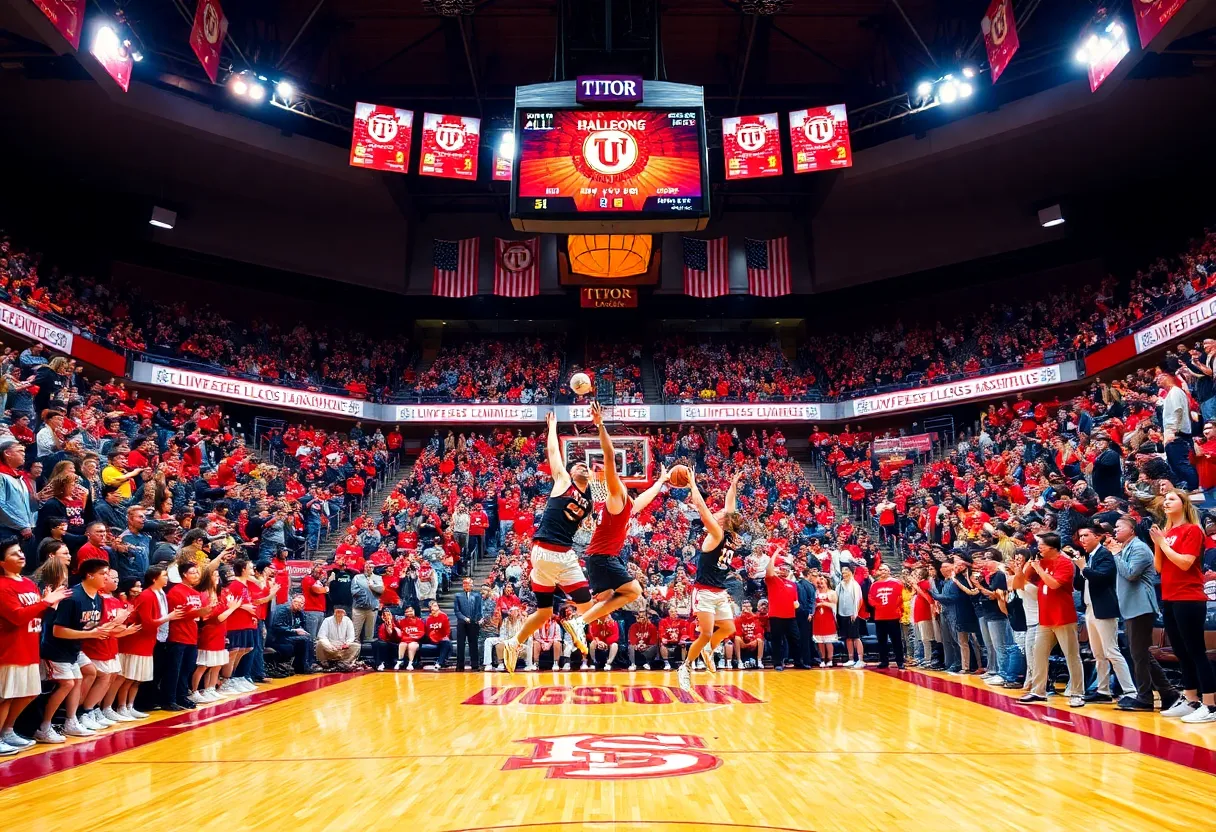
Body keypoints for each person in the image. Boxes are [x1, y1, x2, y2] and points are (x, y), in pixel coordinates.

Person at [500, 412, 596, 673]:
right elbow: (554, 453)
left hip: (548, 557)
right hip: (553, 552)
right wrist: (552, 426)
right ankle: (574, 624)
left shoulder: (589, 505)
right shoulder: (563, 481)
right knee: (588, 605)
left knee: (544, 612)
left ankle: (514, 642)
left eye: (585, 466)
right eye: (577, 465)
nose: (581, 467)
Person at [577, 403, 669, 632]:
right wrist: (600, 426)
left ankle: (578, 622)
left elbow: (644, 499)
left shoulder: (627, 506)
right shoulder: (616, 498)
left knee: (610, 596)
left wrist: (660, 480)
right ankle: (580, 622)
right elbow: (609, 456)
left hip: (602, 559)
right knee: (634, 591)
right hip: (602, 557)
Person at [38, 559, 125, 741]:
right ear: (89, 575)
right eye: (103, 573)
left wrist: (115, 624)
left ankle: (73, 719)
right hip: (56, 648)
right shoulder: (73, 597)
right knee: (69, 683)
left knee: (89, 673)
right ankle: (44, 726)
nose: (107, 577)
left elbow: (93, 628)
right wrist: (93, 634)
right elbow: (58, 631)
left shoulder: (97, 599)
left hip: (74, 649)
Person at [1150, 489, 1216, 722]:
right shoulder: (1169, 532)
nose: (1166, 502)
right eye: (1165, 500)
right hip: (1169, 597)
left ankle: (1210, 705)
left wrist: (1163, 543)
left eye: (1171, 499)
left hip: (1189, 597)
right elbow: (1159, 567)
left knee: (1196, 651)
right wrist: (1158, 544)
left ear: (1183, 503)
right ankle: (1191, 700)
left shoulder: (1192, 530)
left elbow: (1185, 563)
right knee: (1180, 652)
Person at [0, 537, 69, 752]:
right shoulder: (3, 586)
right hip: (11, 648)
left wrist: (50, 605)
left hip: (30, 646)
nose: (21, 555)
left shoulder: (28, 583)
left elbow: (38, 614)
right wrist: (45, 602)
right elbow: (17, 617)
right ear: (2, 562)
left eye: (20, 551)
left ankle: (8, 730)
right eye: (14, 553)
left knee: (28, 693)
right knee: (7, 695)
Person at [675, 470, 741, 691]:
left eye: (721, 512)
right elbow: (703, 510)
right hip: (704, 589)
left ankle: (708, 650)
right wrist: (693, 484)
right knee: (705, 632)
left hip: (719, 591)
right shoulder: (716, 533)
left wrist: (732, 484)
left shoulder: (729, 532)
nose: (720, 512)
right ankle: (685, 667)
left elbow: (730, 505)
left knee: (729, 627)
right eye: (719, 513)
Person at [1110, 516, 1180, 711]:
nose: (1115, 530)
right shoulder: (1126, 548)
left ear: (1132, 530)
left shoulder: (1139, 548)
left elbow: (1131, 574)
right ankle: (1168, 694)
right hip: (1131, 607)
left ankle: (1146, 697)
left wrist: (1116, 554)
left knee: (1139, 654)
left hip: (1141, 607)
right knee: (1140, 654)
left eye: (1119, 526)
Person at [1019, 533, 1086, 708]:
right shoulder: (1040, 561)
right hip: (1045, 618)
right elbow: (1023, 580)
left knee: (1071, 655)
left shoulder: (1064, 563)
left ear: (1052, 547)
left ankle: (1078, 693)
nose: (1038, 548)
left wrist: (1039, 569)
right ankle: (1038, 691)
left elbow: (1054, 584)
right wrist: (1028, 564)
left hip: (1063, 616)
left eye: (1041, 545)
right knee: (1039, 654)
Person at [1072, 525, 1134, 703]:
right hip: (1090, 608)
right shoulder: (1087, 557)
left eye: (1086, 535)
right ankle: (1103, 690)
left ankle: (1130, 691)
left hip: (1105, 608)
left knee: (1111, 651)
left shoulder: (1105, 555)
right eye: (1080, 536)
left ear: (1098, 537)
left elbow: (1101, 578)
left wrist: (1084, 568)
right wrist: (1080, 568)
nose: (1082, 539)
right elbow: (1078, 585)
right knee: (1098, 653)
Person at [163, 562, 212, 712]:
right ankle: (169, 699)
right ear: (184, 574)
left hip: (191, 635)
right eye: (193, 573)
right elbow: (176, 614)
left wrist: (205, 611)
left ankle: (182, 695)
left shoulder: (195, 593)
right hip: (178, 636)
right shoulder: (176, 591)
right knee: (174, 669)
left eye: (197, 573)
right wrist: (198, 612)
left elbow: (201, 613)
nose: (196, 575)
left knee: (187, 668)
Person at [764, 556, 800, 671]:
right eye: (782, 569)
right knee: (777, 640)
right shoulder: (772, 580)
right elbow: (769, 570)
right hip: (776, 615)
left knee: (795, 639)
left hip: (790, 615)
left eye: (787, 570)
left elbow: (796, 601)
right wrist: (776, 553)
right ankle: (777, 663)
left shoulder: (792, 584)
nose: (784, 571)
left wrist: (797, 604)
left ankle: (798, 661)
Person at [867, 564, 905, 669]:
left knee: (896, 640)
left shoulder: (897, 583)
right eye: (881, 570)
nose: (882, 571)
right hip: (880, 616)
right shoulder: (874, 585)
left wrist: (896, 607)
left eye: (885, 569)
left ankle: (900, 661)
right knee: (881, 640)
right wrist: (877, 605)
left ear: (889, 571)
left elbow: (901, 596)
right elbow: (870, 598)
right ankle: (884, 661)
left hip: (893, 615)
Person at [268, 594, 316, 674]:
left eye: (301, 603)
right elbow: (277, 627)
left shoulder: (299, 613)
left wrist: (302, 631)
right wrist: (294, 631)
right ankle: (304, 666)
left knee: (308, 637)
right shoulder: (283, 610)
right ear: (292, 601)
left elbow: (301, 626)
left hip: (291, 636)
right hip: (279, 637)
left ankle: (308, 664)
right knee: (304, 639)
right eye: (296, 601)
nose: (298, 604)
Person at [836, 565, 864, 668]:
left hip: (853, 614)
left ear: (851, 573)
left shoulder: (855, 585)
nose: (844, 574)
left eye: (846, 572)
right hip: (842, 614)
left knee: (856, 637)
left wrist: (855, 613)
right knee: (847, 638)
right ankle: (851, 659)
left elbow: (859, 600)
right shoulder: (839, 585)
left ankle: (860, 660)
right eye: (843, 573)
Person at [452, 577, 483, 671]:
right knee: (460, 644)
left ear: (472, 585)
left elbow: (479, 609)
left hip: (473, 623)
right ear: (463, 585)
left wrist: (479, 618)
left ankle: (475, 665)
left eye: (469, 583)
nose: (467, 585)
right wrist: (464, 618)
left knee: (473, 644)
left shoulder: (477, 595)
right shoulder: (458, 595)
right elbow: (457, 611)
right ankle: (460, 666)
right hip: (462, 623)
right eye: (465, 583)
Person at [351, 561, 382, 644]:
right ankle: (354, 649)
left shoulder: (378, 578)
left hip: (372, 608)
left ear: (373, 568)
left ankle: (367, 650)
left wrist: (372, 586)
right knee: (355, 633)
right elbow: (354, 591)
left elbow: (381, 590)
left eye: (370, 567)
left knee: (369, 634)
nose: (368, 568)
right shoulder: (357, 577)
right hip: (358, 608)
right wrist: (367, 592)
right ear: (364, 567)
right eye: (367, 566)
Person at [812, 576, 838, 667]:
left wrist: (823, 603)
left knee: (828, 641)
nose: (821, 583)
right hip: (818, 618)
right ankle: (822, 659)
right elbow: (812, 605)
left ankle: (830, 659)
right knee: (820, 641)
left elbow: (834, 605)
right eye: (819, 581)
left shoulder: (832, 593)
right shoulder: (815, 593)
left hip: (828, 617)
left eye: (822, 581)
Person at [732, 600, 765, 669]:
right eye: (744, 606)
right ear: (741, 608)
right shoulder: (737, 619)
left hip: (753, 641)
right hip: (743, 641)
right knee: (737, 638)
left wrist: (753, 640)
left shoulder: (756, 618)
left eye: (748, 606)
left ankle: (759, 661)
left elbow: (759, 632)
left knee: (760, 640)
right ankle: (739, 661)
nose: (746, 608)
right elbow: (737, 633)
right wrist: (744, 643)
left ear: (751, 608)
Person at [300, 561, 328, 639]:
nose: (321, 571)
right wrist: (325, 589)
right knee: (311, 638)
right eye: (319, 567)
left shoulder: (318, 581)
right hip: (311, 612)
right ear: (312, 568)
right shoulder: (307, 579)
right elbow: (316, 590)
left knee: (320, 639)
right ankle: (309, 651)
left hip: (321, 611)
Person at [423, 599, 452, 671]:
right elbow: (427, 632)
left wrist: (445, 637)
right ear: (430, 608)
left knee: (447, 643)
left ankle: (439, 663)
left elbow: (447, 630)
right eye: (434, 606)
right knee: (449, 645)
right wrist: (433, 637)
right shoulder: (428, 619)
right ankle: (442, 661)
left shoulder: (443, 616)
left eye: (436, 605)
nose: (436, 607)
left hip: (442, 638)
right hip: (432, 639)